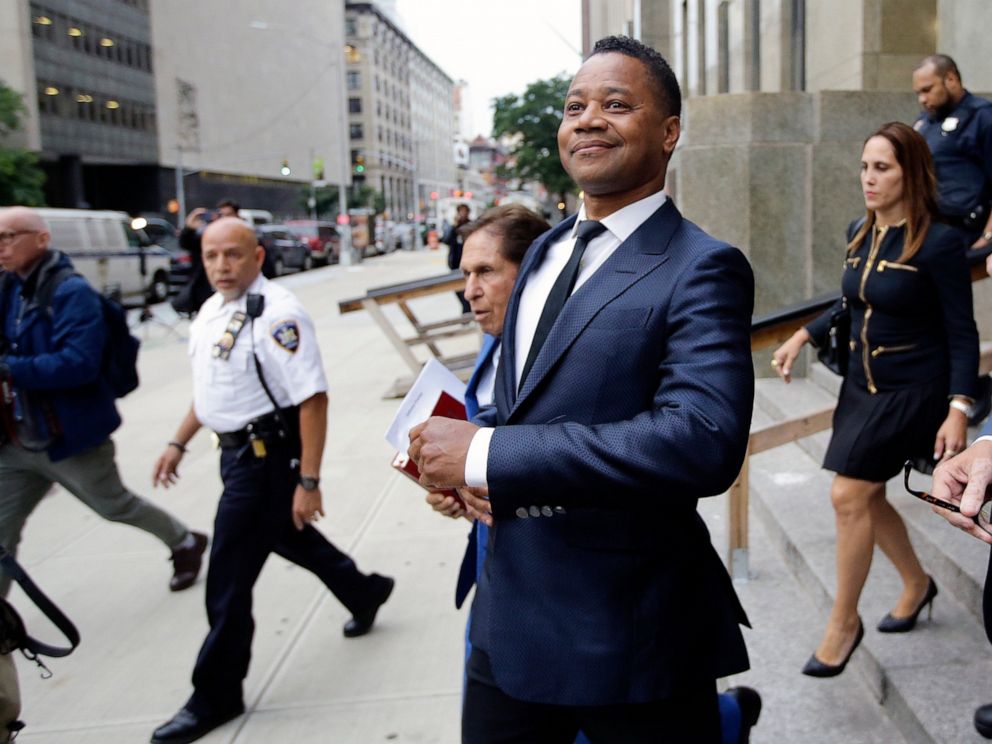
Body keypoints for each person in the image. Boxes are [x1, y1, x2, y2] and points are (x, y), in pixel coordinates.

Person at [410, 36, 755, 743]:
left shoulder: (702, 267)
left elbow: (702, 441)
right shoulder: (541, 249)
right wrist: (464, 472)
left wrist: (487, 455)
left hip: (631, 629)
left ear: (668, 133)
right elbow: (526, 402)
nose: (587, 119)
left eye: (616, 104)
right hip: (507, 616)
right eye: (575, 106)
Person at [149, 218, 395, 744]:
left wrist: (309, 479)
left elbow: (312, 398)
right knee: (291, 538)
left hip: (264, 462)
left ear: (258, 257)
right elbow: (212, 389)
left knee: (228, 583)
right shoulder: (213, 310)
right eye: (211, 255)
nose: (221, 265)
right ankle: (366, 591)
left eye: (233, 255)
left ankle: (215, 694)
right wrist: (178, 441)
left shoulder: (278, 314)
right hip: (235, 457)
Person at [772, 121, 980, 677]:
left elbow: (962, 331)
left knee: (848, 495)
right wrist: (804, 334)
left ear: (909, 172)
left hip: (914, 389)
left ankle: (844, 623)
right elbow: (853, 303)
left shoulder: (938, 242)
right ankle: (917, 582)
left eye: (882, 167)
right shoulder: (859, 233)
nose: (868, 178)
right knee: (866, 497)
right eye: (865, 166)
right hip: (860, 388)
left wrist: (959, 407)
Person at [0, 206, 207, 598]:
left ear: (41, 239)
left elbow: (78, 364)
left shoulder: (70, 293)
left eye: (8, 237)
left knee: (114, 505)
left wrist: (10, 369)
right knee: (1, 533)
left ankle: (184, 541)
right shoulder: (9, 288)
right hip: (15, 440)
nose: (1, 247)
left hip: (68, 435)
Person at [912, 54, 992, 249]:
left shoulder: (983, 116)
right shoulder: (924, 123)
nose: (922, 99)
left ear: (950, 79)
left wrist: (988, 236)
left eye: (928, 90)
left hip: (968, 230)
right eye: (918, 93)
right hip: (930, 229)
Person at [443, 203, 471, 314]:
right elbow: (445, 240)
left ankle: (466, 314)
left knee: (467, 291)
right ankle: (466, 312)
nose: (462, 214)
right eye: (461, 211)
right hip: (455, 264)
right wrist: (454, 226)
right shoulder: (455, 227)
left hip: (468, 264)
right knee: (458, 291)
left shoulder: (471, 225)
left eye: (464, 211)